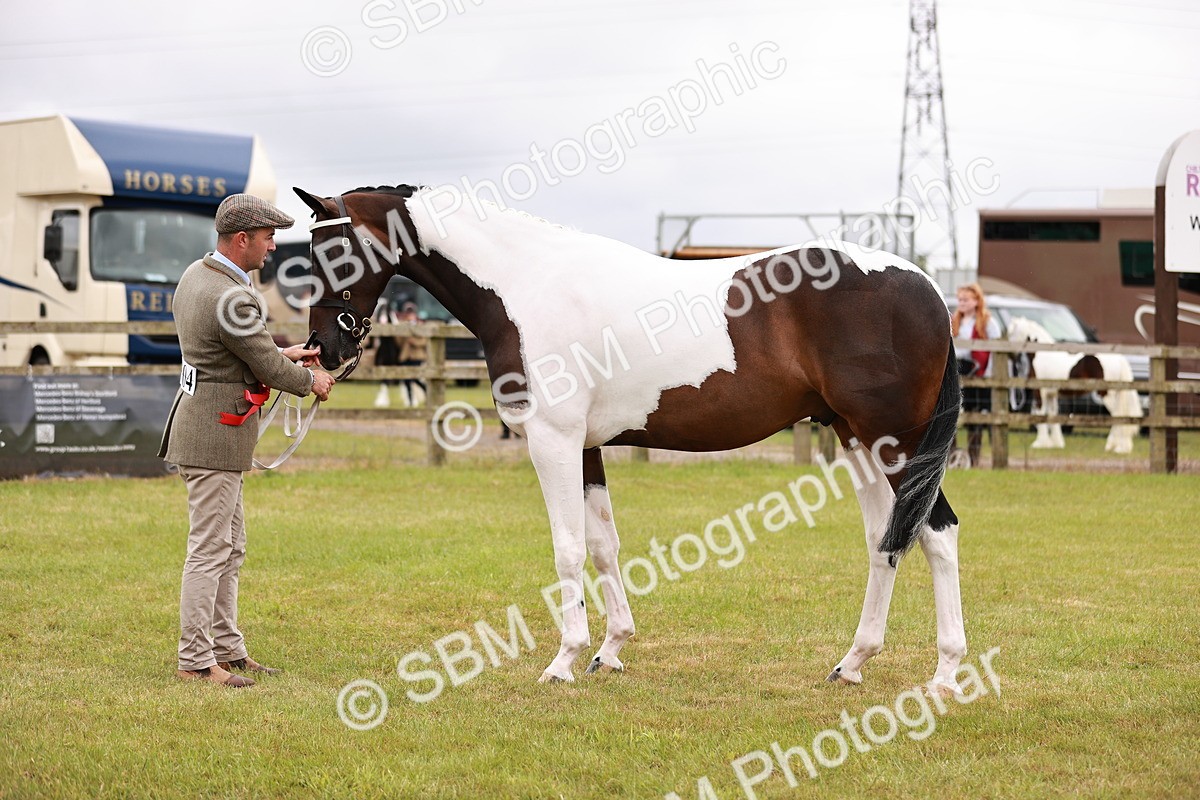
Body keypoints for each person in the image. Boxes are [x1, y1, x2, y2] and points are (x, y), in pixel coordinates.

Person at [159, 194, 336, 688]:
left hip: (207, 430)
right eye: (267, 237)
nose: (273, 246)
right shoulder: (234, 295)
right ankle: (196, 659)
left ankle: (227, 649)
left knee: (228, 547)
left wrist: (285, 353)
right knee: (211, 549)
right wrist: (311, 381)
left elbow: (243, 349)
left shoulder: (198, 275)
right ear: (242, 240)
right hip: (215, 435)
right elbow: (261, 362)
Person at [951, 283, 1001, 467]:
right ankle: (952, 457)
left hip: (979, 373)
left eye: (966, 299)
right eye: (960, 299)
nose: (961, 303)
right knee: (951, 414)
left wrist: (990, 374)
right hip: (958, 372)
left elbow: (996, 350)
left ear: (976, 301)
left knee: (976, 415)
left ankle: (974, 457)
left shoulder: (987, 322)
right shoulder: (954, 321)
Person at [396, 301, 428, 407]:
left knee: (415, 378)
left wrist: (413, 341)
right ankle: (410, 401)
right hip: (405, 356)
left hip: (417, 356)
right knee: (407, 380)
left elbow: (423, 342)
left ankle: (427, 391)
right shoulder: (403, 325)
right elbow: (398, 341)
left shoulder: (421, 325)